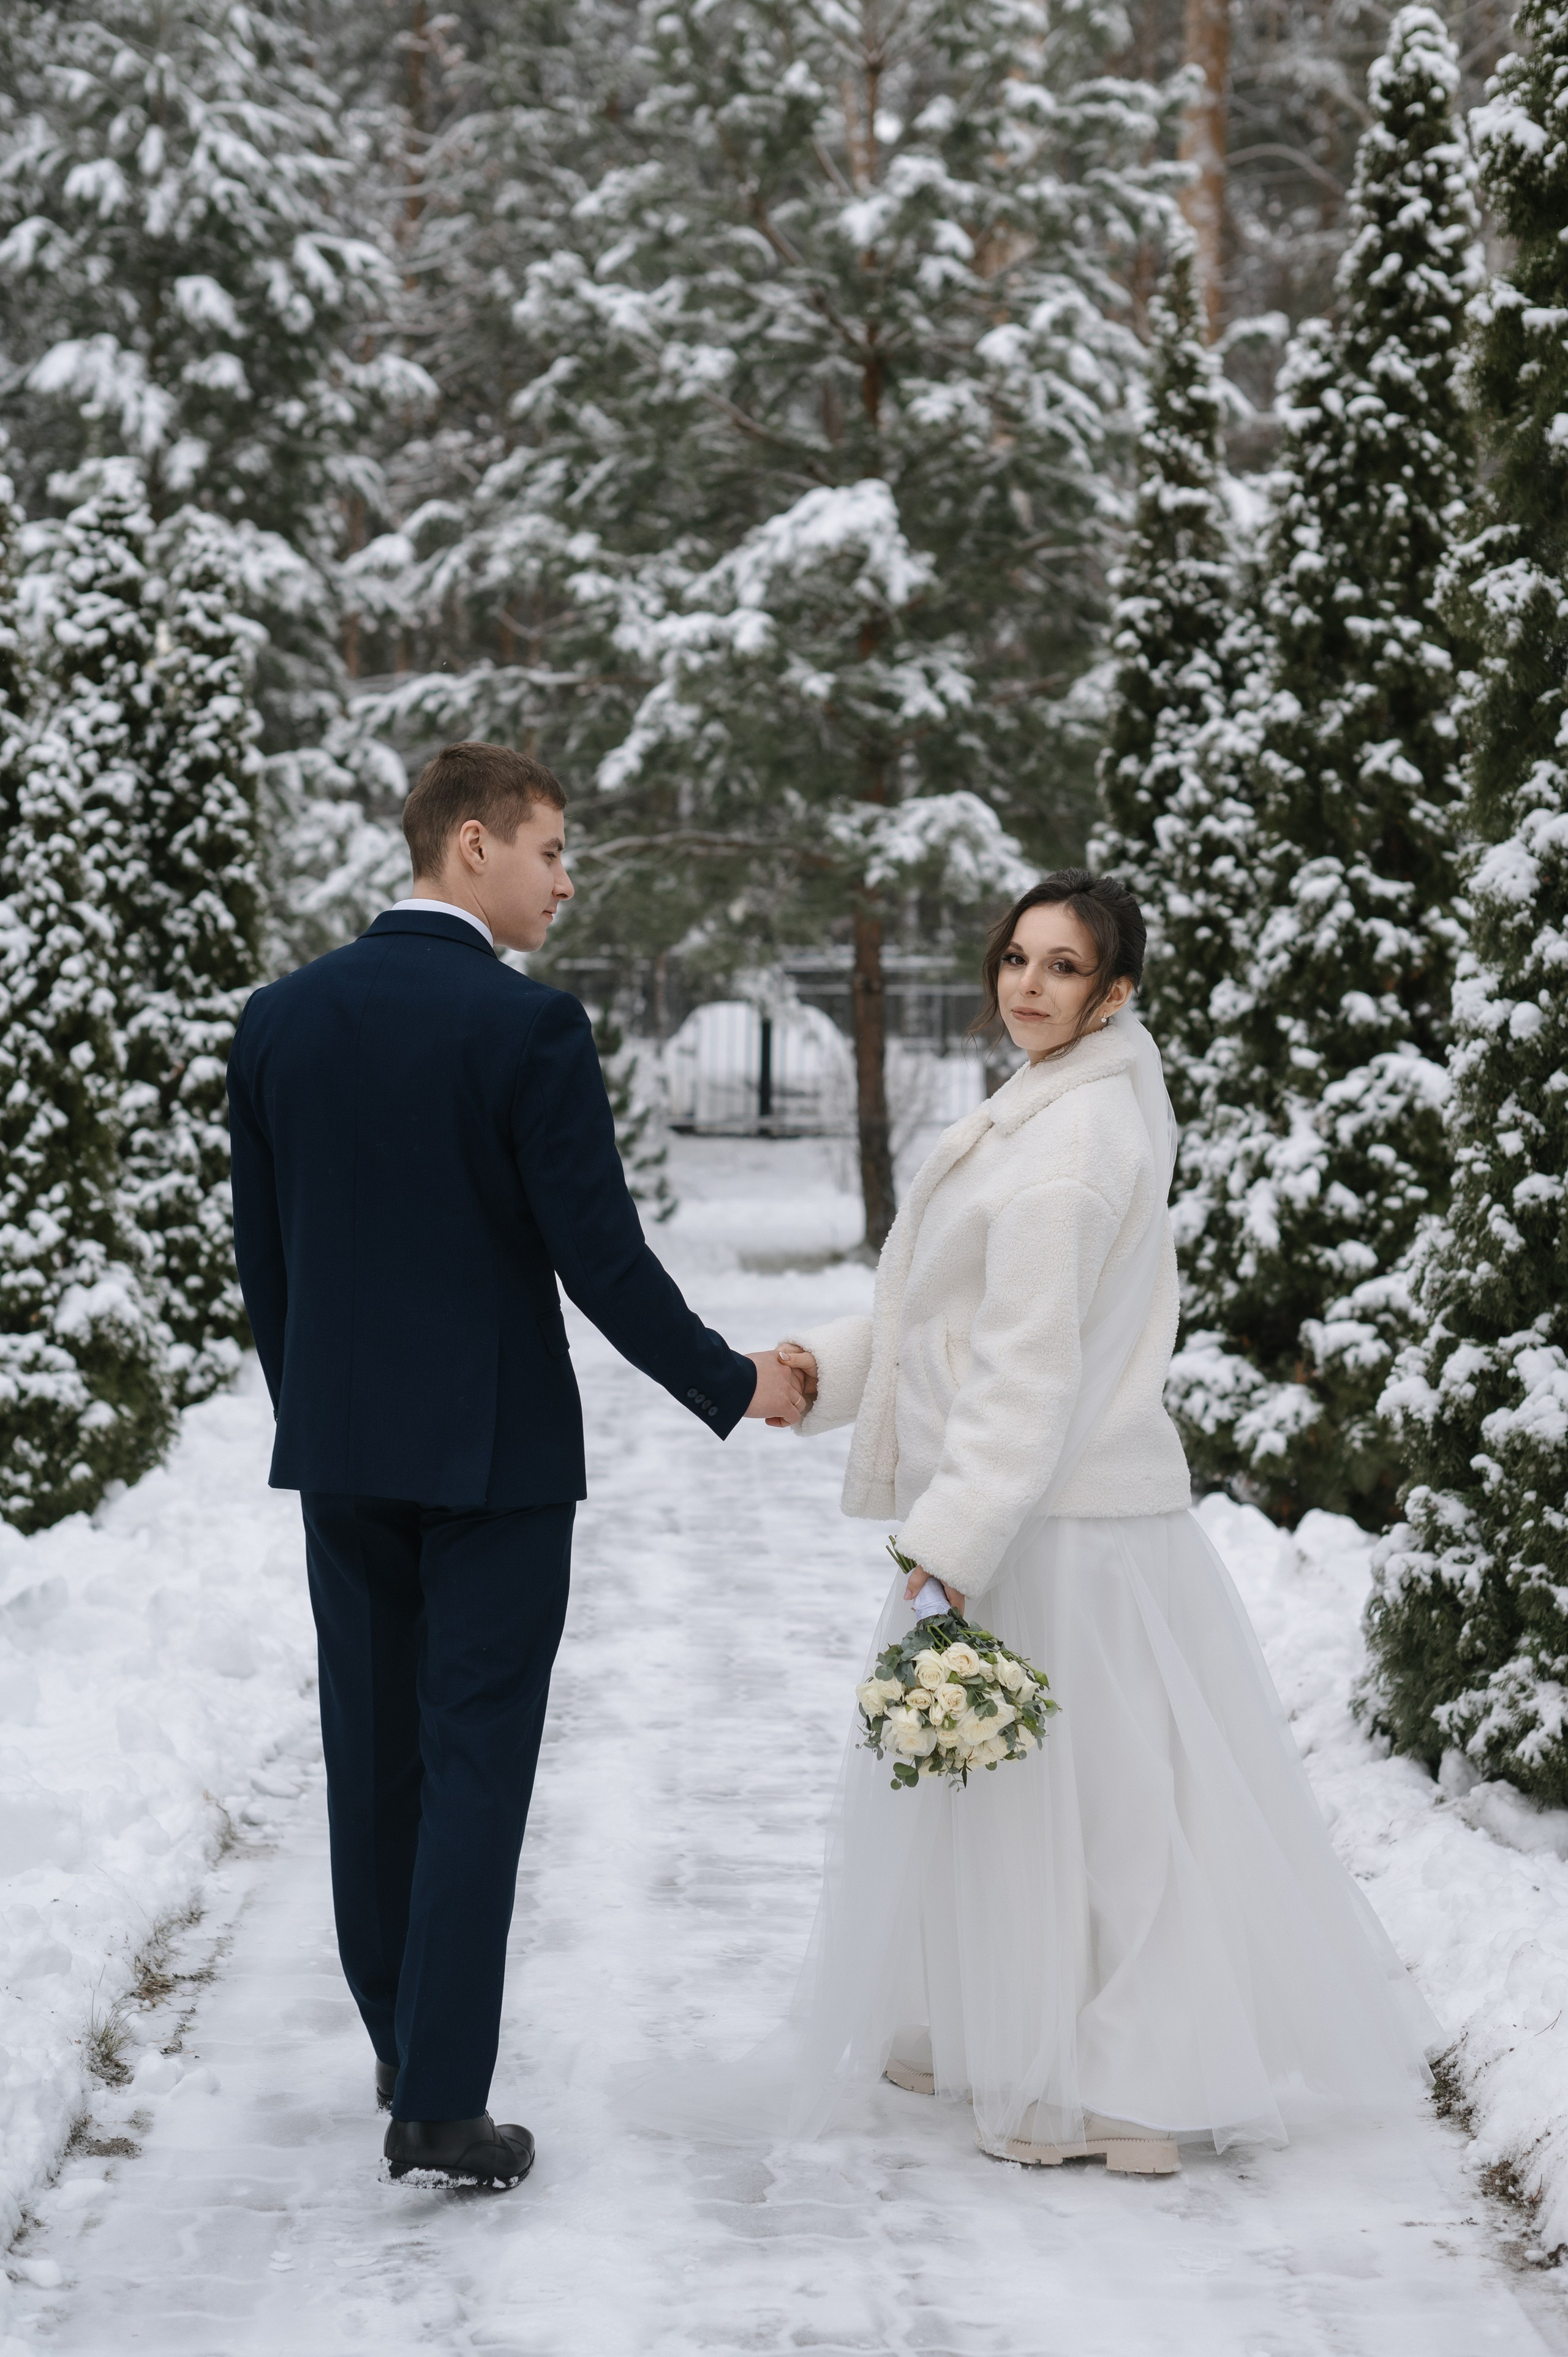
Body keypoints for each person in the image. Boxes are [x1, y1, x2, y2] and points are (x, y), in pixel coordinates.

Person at [753, 869, 1438, 2173]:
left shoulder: (1068, 1144)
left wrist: (945, 1550)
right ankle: (988, 2023)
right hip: (1051, 1511)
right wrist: (822, 1373)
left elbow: (1026, 1373)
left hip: (1056, 1524)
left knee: (1104, 1813)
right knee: (1031, 1799)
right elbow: (952, 1317)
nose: (1026, 983)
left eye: (1061, 966)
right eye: (1016, 956)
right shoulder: (1056, 1103)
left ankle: (1133, 2083)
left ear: (1112, 989)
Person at [225, 739, 804, 2190]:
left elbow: (267, 1262)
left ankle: (404, 2038)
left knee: (373, 1757)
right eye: (550, 850)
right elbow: (595, 1256)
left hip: (345, 1452)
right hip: (494, 1467)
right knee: (475, 1758)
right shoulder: (526, 1030)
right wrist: (731, 1383)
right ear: (468, 844)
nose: (564, 880)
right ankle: (438, 2099)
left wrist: (322, 1412)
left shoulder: (280, 1020)